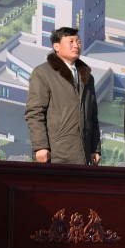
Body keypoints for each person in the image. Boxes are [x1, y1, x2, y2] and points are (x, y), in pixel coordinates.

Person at [25, 26, 101, 165]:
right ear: (57, 46)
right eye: (71, 42)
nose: (76, 45)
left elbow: (92, 117)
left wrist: (95, 148)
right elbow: (35, 112)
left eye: (78, 41)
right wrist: (40, 146)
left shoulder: (87, 76)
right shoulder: (42, 73)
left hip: (82, 152)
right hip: (55, 152)